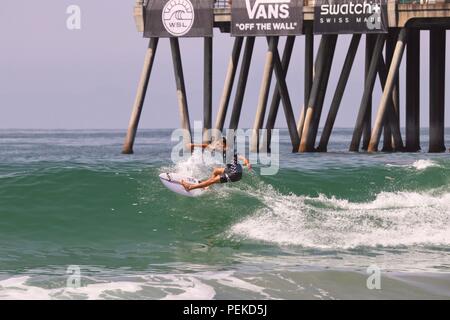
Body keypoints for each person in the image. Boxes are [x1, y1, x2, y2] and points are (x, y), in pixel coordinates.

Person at [181, 137, 251, 191]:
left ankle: (190, 187)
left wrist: (193, 145)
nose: (217, 145)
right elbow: (243, 158)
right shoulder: (230, 150)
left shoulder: (225, 150)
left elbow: (207, 146)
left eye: (218, 144)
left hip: (234, 174)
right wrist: (247, 163)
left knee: (212, 181)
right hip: (234, 170)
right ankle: (207, 186)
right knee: (216, 171)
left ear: (223, 144)